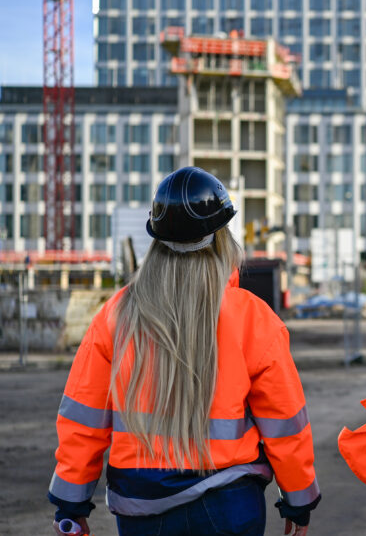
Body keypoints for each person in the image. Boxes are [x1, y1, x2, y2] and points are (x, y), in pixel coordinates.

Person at [48, 167, 320, 535]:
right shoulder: (252, 318)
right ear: (223, 238)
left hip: (142, 507)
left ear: (156, 241)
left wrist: (70, 502)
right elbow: (285, 422)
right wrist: (299, 500)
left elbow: (84, 419)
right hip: (230, 505)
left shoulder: (116, 315)